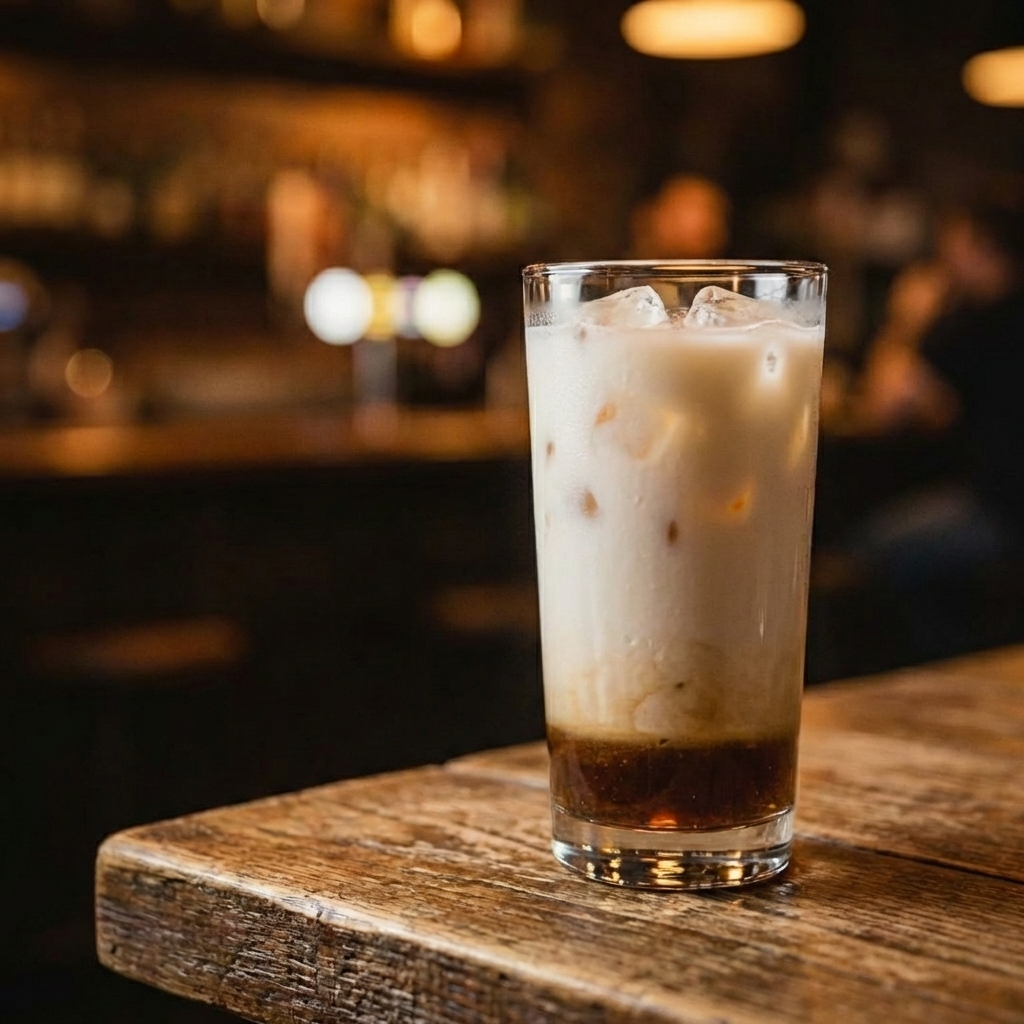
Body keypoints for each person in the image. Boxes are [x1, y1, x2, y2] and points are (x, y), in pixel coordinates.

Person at [843, 193, 1024, 657]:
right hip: (999, 499)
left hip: (1001, 508)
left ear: (980, 247)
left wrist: (908, 316)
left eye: (954, 241)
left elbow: (886, 405)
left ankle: (942, 659)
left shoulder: (978, 318)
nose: (943, 253)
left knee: (869, 550)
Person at [630, 175, 730, 259]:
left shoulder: (735, 278)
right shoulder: (626, 277)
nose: (705, 222)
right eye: (690, 205)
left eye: (712, 208)